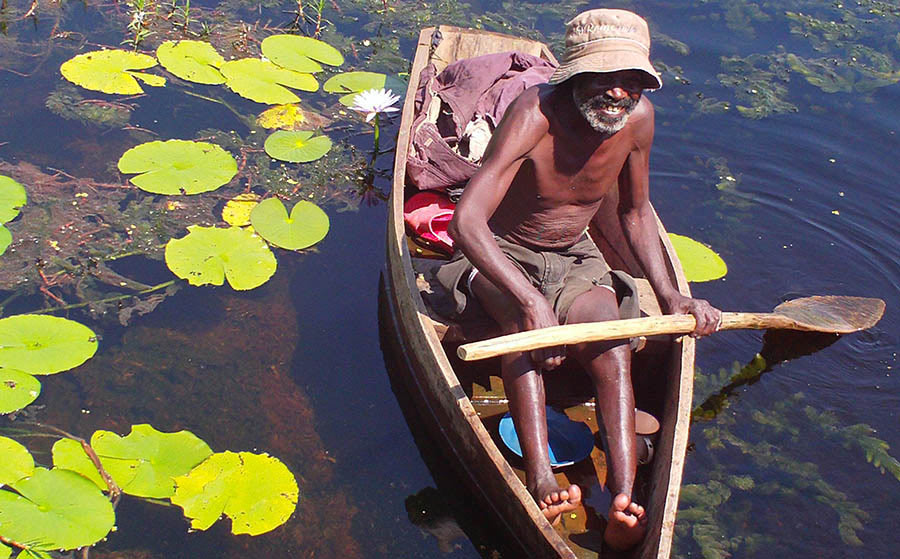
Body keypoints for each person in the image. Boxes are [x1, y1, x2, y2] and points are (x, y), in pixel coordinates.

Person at [437, 8, 722, 550]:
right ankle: (543, 479)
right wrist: (530, 300)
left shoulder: (638, 119)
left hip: (575, 256)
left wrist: (672, 296)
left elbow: (636, 216)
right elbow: (467, 222)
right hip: (500, 254)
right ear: (574, 78)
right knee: (523, 335)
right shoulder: (535, 113)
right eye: (606, 80)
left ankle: (623, 494)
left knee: (612, 340)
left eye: (633, 82)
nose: (619, 94)